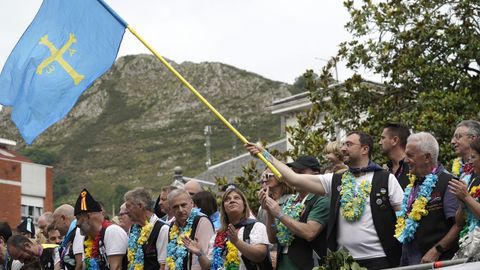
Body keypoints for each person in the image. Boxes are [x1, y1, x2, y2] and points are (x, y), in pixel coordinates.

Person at [245, 131, 404, 269]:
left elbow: (403, 218)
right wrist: (264, 154)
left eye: (348, 144)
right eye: (343, 145)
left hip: (380, 259)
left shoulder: (385, 178)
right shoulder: (335, 180)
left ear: (365, 149)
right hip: (345, 262)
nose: (343, 149)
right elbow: (293, 179)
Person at [395, 132, 460, 265]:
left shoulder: (448, 182)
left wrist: (437, 250)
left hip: (436, 262)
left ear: (427, 157)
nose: (405, 160)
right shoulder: (413, 183)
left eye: (410, 155)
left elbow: (458, 225)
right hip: (410, 261)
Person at [260, 156, 330, 269]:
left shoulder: (321, 200)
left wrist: (279, 214)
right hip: (283, 264)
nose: (294, 177)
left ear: (316, 175)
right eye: (293, 173)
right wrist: (269, 212)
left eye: (300, 172)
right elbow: (272, 238)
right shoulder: (290, 201)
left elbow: (310, 233)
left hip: (308, 265)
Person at [183, 187, 272, 270]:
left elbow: (260, 255)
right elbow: (209, 266)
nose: (232, 201)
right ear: (224, 208)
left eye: (236, 198)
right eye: (227, 199)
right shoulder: (218, 235)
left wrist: (237, 242)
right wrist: (200, 253)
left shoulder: (256, 227)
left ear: (244, 205)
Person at [75, 189, 128, 270]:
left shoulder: (112, 231)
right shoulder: (87, 239)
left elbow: (116, 267)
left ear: (88, 216)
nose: (77, 224)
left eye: (79, 219)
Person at [165, 189, 215, 270]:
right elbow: (169, 256)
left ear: (191, 203)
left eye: (183, 205)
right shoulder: (172, 226)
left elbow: (203, 259)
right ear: (170, 209)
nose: (180, 210)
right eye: (176, 207)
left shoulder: (201, 221)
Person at [124, 188, 169, 269]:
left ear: (140, 206)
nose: (126, 211)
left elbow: (163, 266)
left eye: (128, 207)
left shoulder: (162, 229)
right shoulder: (133, 229)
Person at [450, 138, 480, 259]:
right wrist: (462, 202)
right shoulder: (474, 180)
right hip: (470, 245)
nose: (470, 162)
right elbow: (459, 222)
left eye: (473, 157)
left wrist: (467, 197)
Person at [380, 123, 411, 189]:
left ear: (395, 140)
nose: (380, 142)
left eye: (383, 138)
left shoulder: (414, 168)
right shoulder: (383, 169)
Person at [52, 204, 83, 270]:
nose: (55, 227)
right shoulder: (69, 236)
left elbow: (80, 264)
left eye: (55, 222)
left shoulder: (78, 231)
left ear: (63, 218)